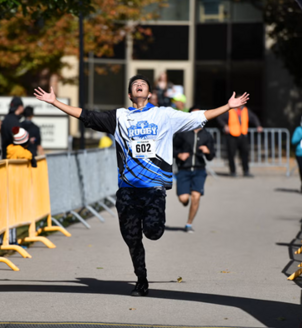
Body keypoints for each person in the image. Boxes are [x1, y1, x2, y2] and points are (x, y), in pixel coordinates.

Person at [35, 74, 249, 297]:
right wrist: (55, 102)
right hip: (127, 189)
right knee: (132, 238)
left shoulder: (164, 115)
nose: (139, 85)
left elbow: (199, 117)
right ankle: (141, 279)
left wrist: (228, 106)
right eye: (134, 84)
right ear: (130, 94)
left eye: (143, 84)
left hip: (154, 188)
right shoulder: (119, 116)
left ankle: (153, 229)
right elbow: (86, 115)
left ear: (150, 94)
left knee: (154, 233)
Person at [173, 106, 215, 232]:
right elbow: (171, 148)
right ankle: (185, 201)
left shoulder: (206, 135)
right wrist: (179, 155)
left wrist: (208, 152)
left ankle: (189, 224)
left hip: (199, 170)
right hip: (184, 169)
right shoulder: (182, 133)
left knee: (196, 196)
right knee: (184, 198)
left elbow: (212, 155)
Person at [217, 105, 263, 177]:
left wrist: (258, 125)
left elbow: (253, 117)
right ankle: (233, 171)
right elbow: (219, 118)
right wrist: (224, 126)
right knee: (231, 154)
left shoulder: (245, 110)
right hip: (232, 135)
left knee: (245, 154)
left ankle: (246, 171)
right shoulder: (229, 110)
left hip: (243, 134)